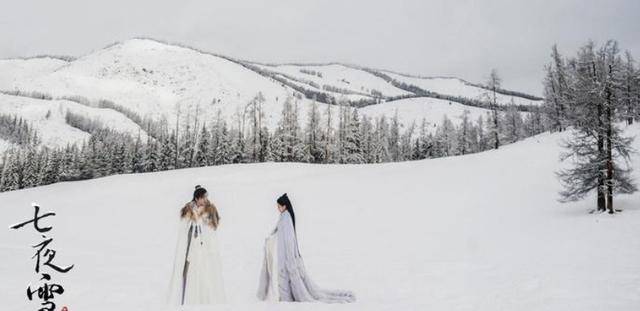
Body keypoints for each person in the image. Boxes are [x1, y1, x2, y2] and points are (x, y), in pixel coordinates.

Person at [257, 193, 355, 303]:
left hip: (286, 258)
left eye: (279, 206)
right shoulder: (285, 217)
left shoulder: (286, 219)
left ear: (284, 206)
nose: (277, 208)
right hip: (285, 256)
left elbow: (288, 240)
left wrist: (288, 258)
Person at [167, 185, 226, 305]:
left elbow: (212, 228)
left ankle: (206, 294)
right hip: (193, 246)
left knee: (205, 269)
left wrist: (205, 222)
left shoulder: (210, 210)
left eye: (206, 197)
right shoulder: (189, 210)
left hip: (205, 247)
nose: (205, 200)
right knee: (193, 270)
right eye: (203, 198)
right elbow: (184, 229)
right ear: (197, 198)